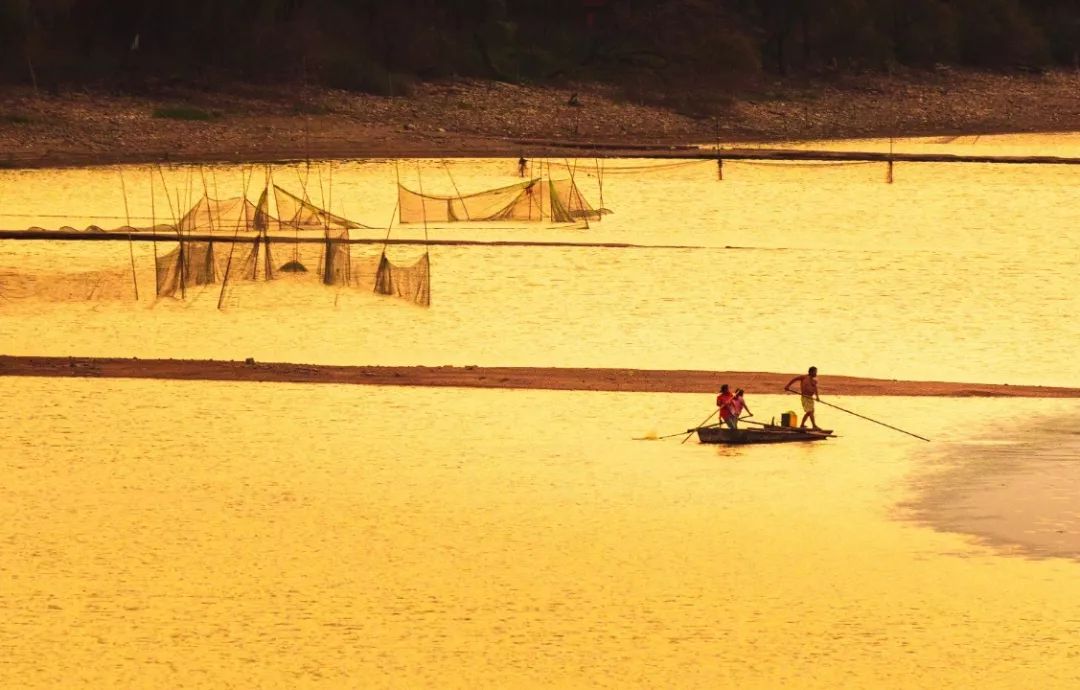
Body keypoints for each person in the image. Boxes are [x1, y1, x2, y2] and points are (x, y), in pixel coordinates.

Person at [785, 366, 821, 430]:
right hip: (805, 397)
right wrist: (788, 386)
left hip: (810, 398)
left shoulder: (814, 380)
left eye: (816, 372)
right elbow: (794, 379)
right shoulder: (804, 377)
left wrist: (817, 397)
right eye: (815, 372)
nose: (816, 374)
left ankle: (802, 425)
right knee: (809, 412)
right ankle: (814, 425)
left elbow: (815, 389)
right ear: (811, 372)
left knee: (809, 412)